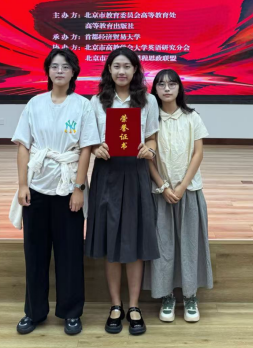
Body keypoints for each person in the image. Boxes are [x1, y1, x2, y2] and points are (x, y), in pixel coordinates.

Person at [10, 48, 100, 336]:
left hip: (67, 188)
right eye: (54, 66)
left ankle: (71, 312)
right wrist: (23, 185)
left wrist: (78, 188)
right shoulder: (34, 104)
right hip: (36, 187)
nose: (59, 71)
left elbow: (86, 149)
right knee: (35, 254)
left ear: (74, 72)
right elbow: (23, 145)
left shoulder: (82, 105)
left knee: (69, 254)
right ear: (48, 71)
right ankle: (34, 312)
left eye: (65, 66)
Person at [85, 47, 160, 336]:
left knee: (135, 239)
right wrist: (97, 148)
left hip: (137, 172)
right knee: (111, 238)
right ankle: (115, 305)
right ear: (109, 69)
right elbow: (90, 139)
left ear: (135, 70)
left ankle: (134, 306)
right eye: (116, 66)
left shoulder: (148, 101)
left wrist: (149, 149)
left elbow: (152, 138)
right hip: (107, 173)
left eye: (127, 66)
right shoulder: (97, 101)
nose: (121, 71)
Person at [143, 68, 213, 323]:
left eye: (172, 84)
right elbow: (148, 158)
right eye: (161, 84)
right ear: (154, 89)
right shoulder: (151, 120)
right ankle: (167, 295)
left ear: (179, 88)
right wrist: (163, 186)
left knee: (190, 244)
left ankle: (191, 295)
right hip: (159, 193)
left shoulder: (192, 117)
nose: (167, 88)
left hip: (189, 192)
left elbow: (198, 154)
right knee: (164, 246)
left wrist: (182, 186)